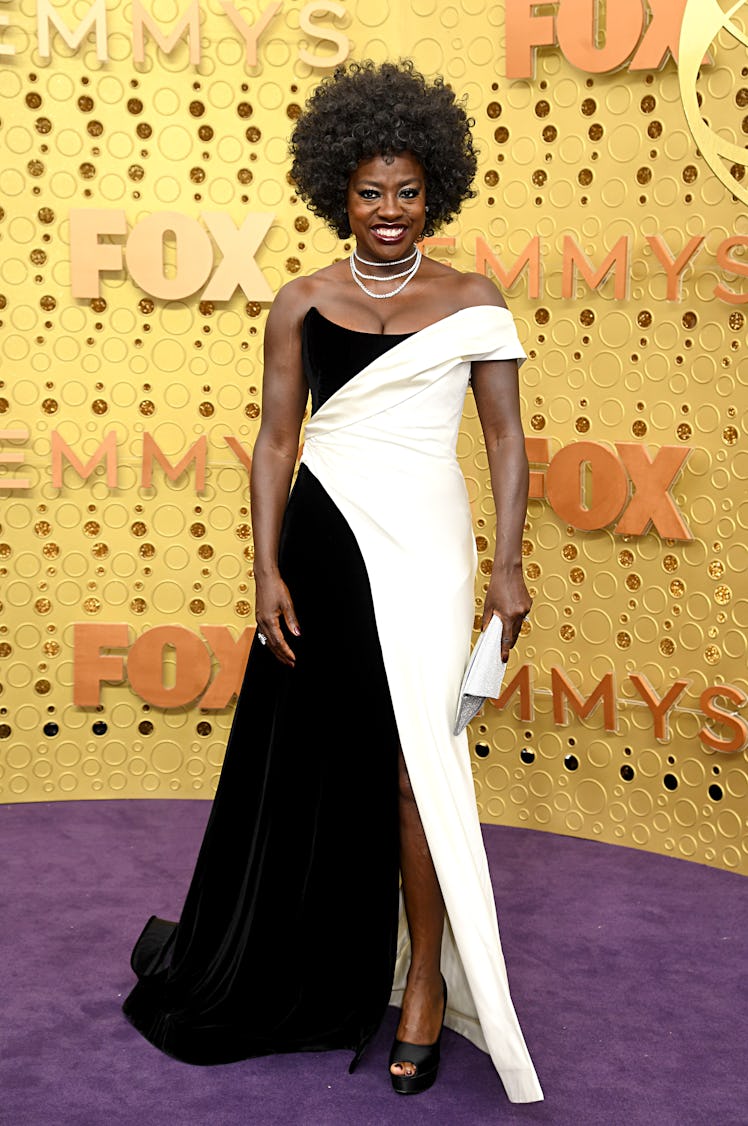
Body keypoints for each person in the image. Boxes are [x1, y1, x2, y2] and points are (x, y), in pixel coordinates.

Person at [122, 59, 543, 1104]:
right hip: (320, 542)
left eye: (406, 190)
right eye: (369, 190)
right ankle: (306, 960)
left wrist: (508, 565)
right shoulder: (301, 301)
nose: (389, 210)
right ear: (335, 192)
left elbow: (503, 440)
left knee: (416, 769)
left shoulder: (473, 299)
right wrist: (263, 566)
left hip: (430, 548)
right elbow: (274, 443)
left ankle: (423, 998)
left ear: (432, 189)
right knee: (309, 761)